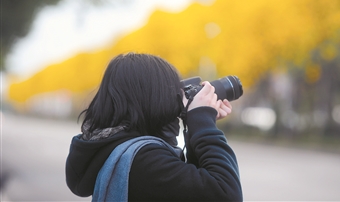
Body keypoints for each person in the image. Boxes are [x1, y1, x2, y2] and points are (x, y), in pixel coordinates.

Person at [65, 52, 243, 201]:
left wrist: (197, 122)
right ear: (153, 99)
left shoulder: (114, 149)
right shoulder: (144, 160)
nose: (175, 99)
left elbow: (191, 190)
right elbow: (225, 194)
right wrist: (203, 122)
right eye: (171, 91)